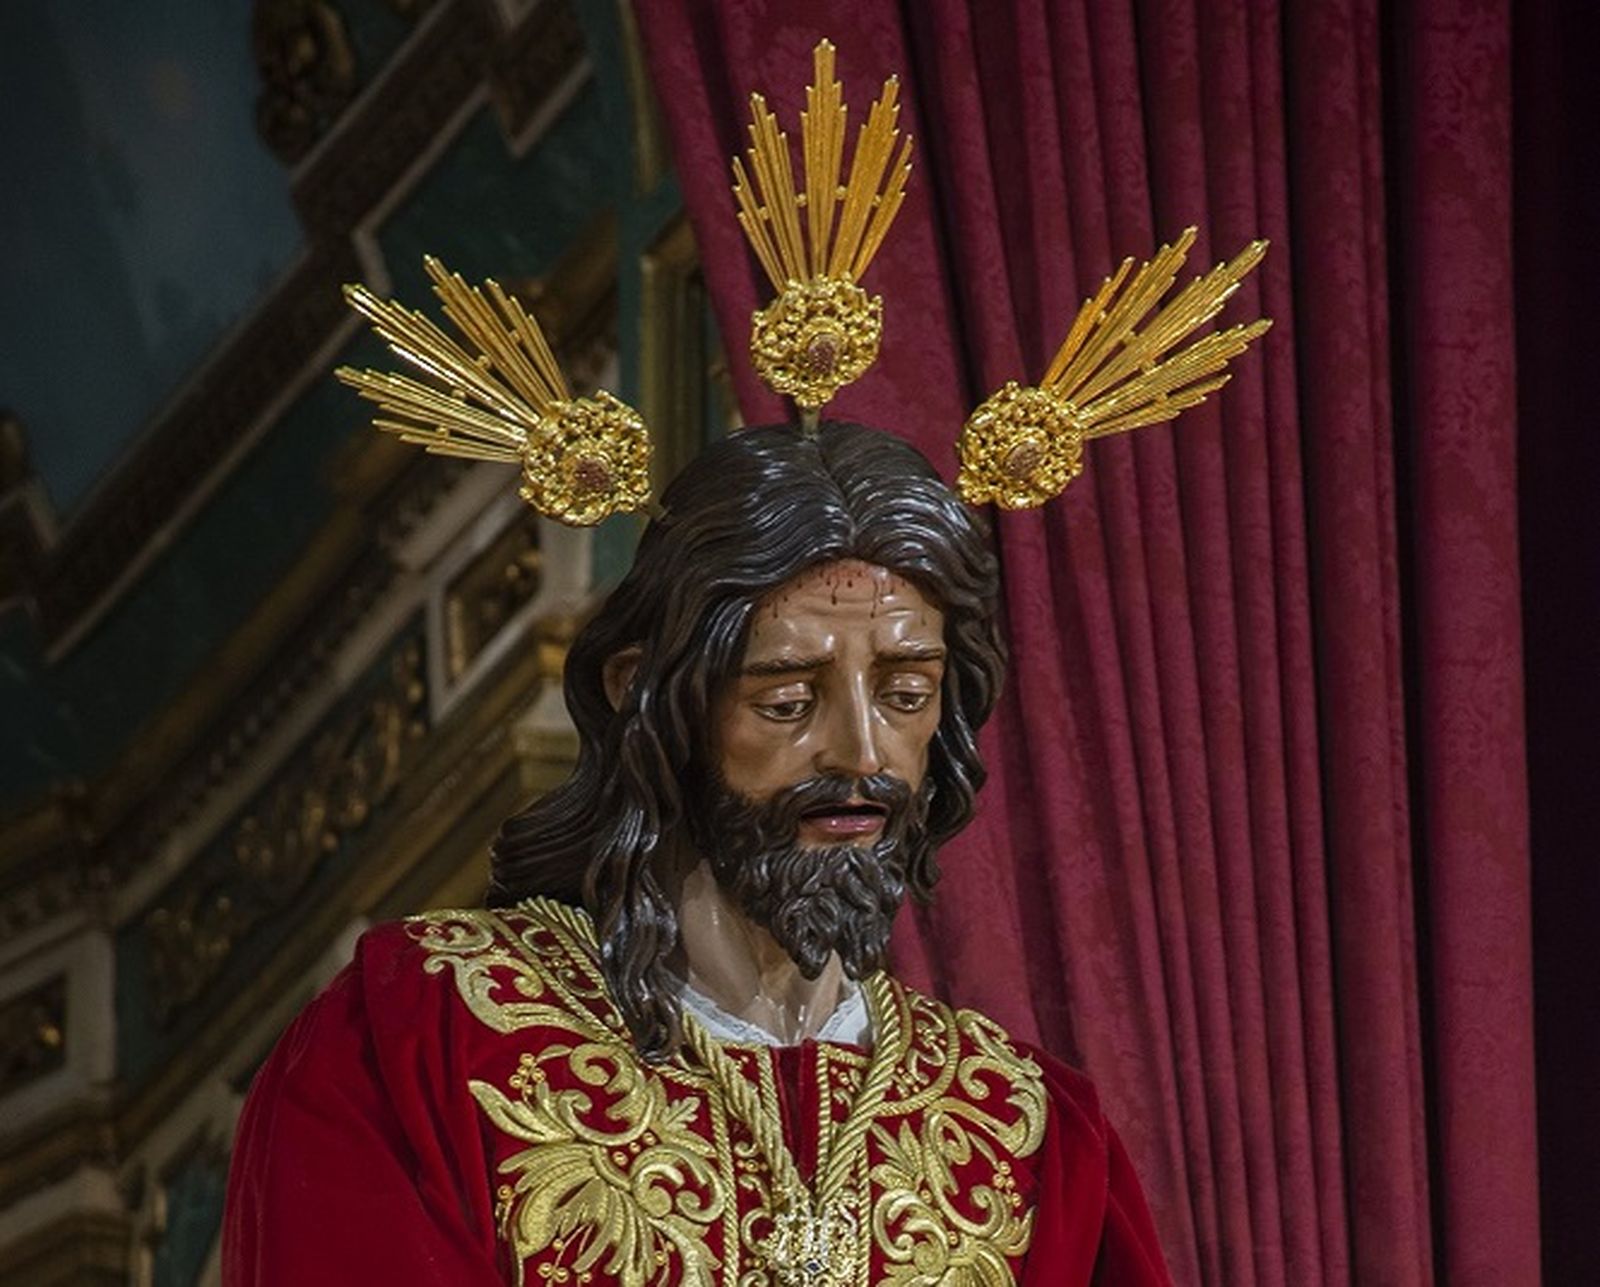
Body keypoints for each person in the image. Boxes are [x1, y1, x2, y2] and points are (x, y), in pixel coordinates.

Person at [221, 420, 1174, 1286]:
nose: (862, 753)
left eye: (906, 694)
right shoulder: (425, 1039)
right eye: (787, 700)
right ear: (650, 697)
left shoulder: (1026, 1135)